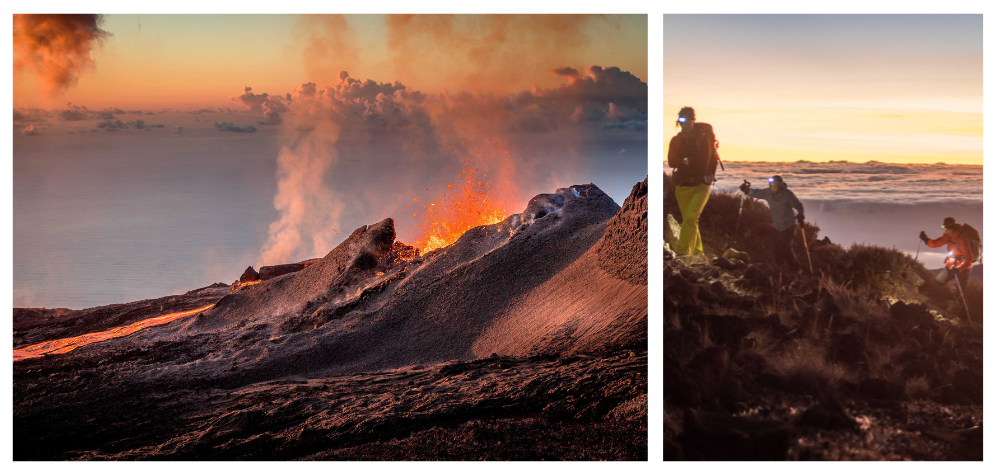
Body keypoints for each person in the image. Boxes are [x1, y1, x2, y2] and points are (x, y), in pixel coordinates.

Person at [667, 107, 720, 255]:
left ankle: (683, 255)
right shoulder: (675, 141)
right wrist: (688, 161)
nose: (683, 124)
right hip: (682, 187)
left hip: (701, 185)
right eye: (681, 121)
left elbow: (703, 163)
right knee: (690, 221)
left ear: (693, 121)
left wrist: (683, 161)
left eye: (686, 121)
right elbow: (671, 161)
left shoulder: (703, 139)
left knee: (690, 218)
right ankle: (698, 253)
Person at [740, 175, 805, 270]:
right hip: (776, 225)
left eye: (774, 186)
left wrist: (801, 215)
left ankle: (796, 269)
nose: (772, 188)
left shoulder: (787, 195)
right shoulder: (768, 192)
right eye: (771, 186)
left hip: (789, 225)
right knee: (777, 246)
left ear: (780, 186)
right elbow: (757, 193)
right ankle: (780, 267)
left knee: (785, 246)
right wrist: (746, 190)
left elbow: (798, 205)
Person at [920, 217, 976, 291]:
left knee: (961, 293)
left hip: (963, 269)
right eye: (944, 229)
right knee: (937, 284)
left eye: (946, 229)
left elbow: (969, 258)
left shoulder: (963, 238)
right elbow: (935, 243)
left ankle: (959, 301)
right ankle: (943, 299)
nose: (945, 231)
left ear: (951, 228)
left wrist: (960, 269)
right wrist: (926, 239)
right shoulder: (948, 236)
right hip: (950, 266)